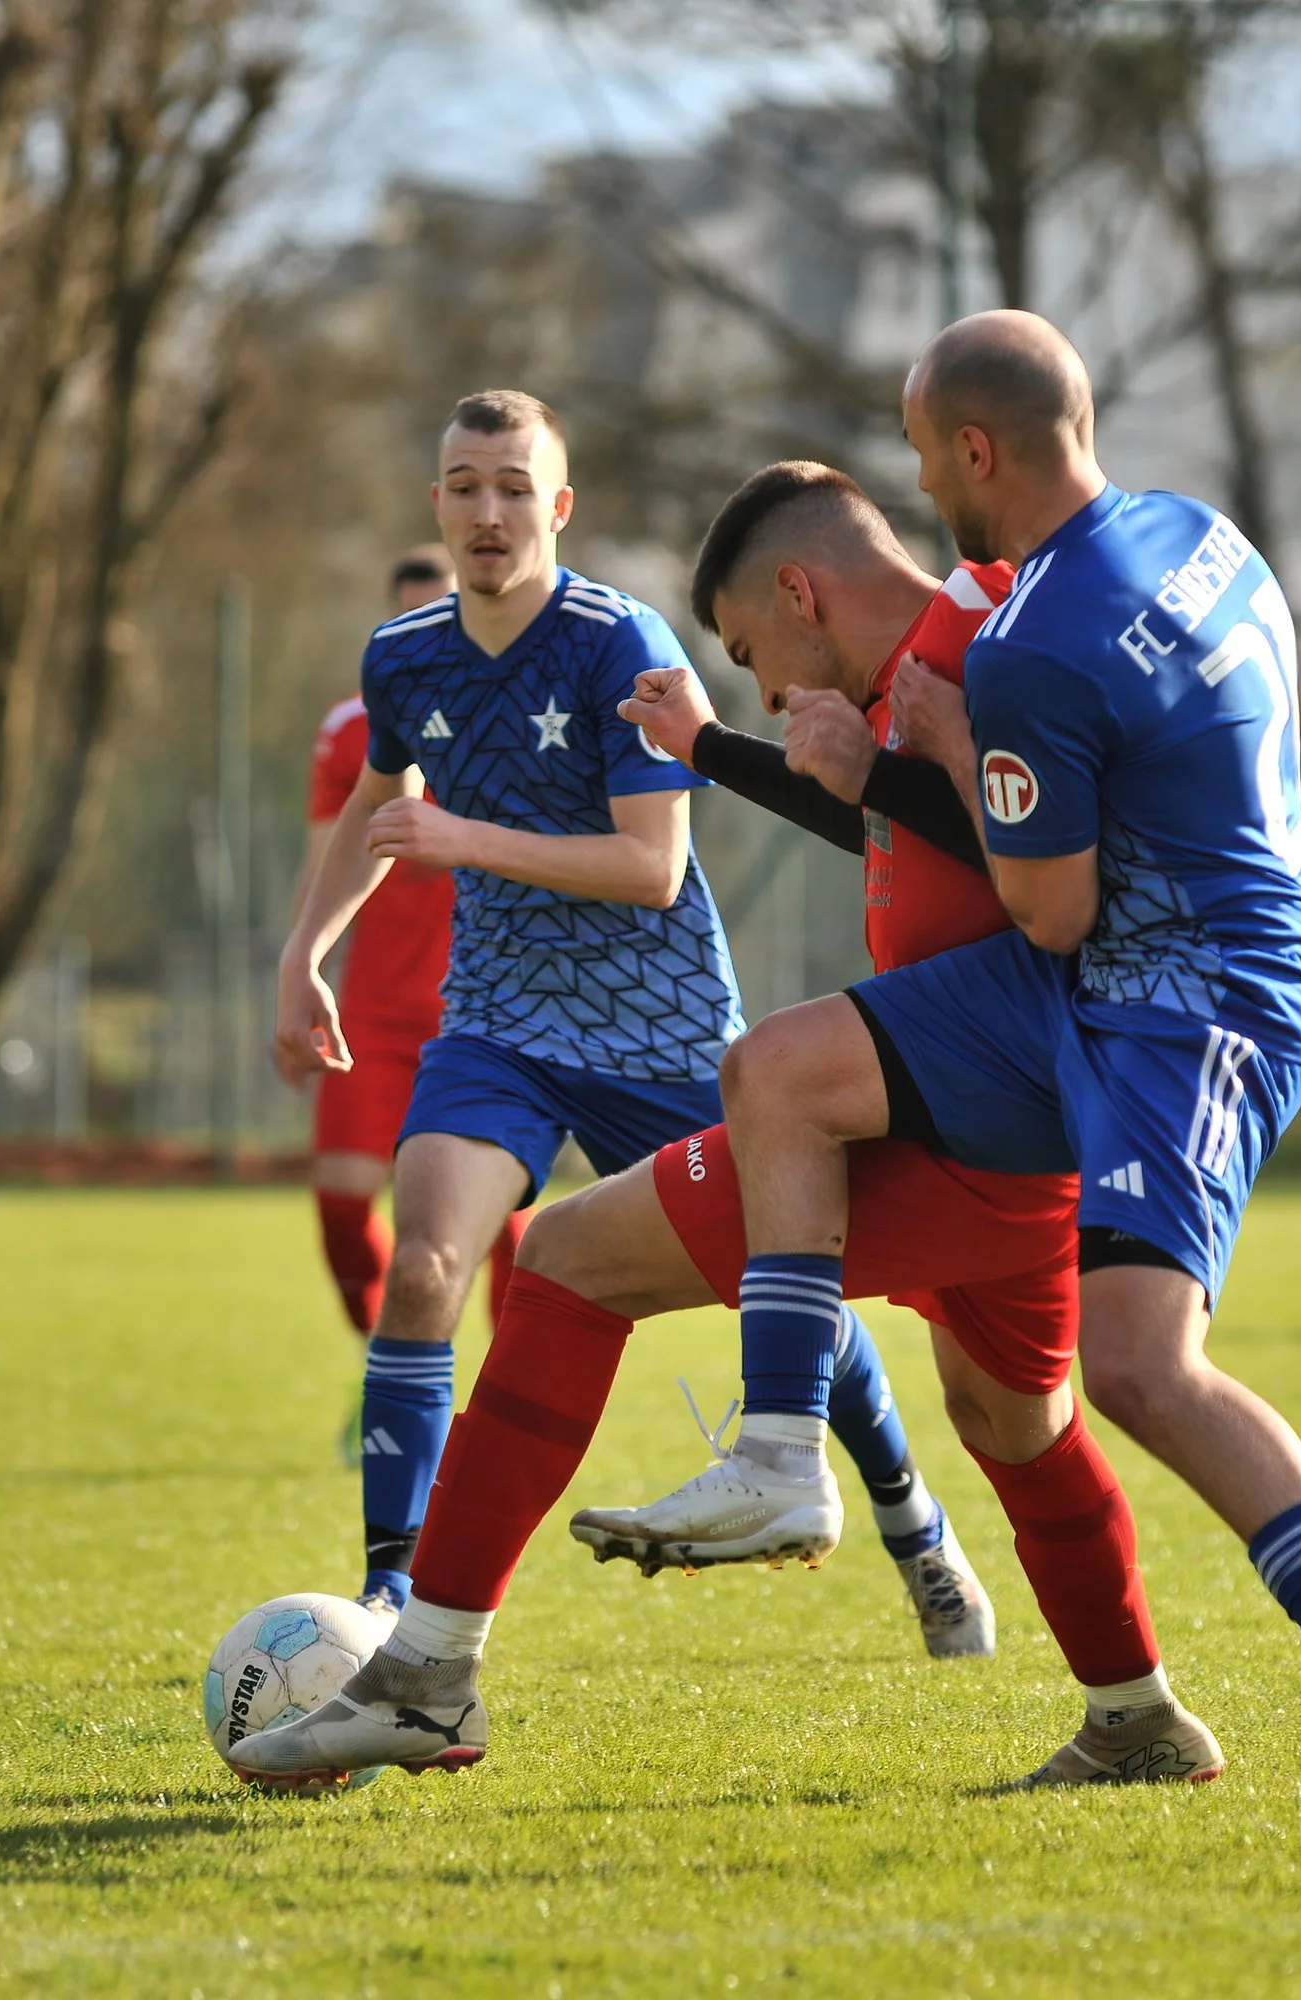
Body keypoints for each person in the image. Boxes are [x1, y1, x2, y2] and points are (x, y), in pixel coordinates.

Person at [593, 315, 1301, 1853]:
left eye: (923, 448)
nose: (920, 484)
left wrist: (938, 747)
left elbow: (1050, 909)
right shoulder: (1202, 538)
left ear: (975, 450)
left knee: (1140, 1366)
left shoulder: (1025, 649)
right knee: (792, 1086)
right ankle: (794, 1459)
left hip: (1185, 1005)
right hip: (1127, 983)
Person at [225, 461, 1224, 1793]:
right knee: (1010, 1417)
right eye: (459, 485)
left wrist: (884, 757)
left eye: (753, 654)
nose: (760, 688)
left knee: (575, 1258)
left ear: (800, 594)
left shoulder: (976, 654)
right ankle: (1138, 1718)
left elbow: (1047, 872)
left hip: (943, 1114)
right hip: (995, 1124)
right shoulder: (947, 656)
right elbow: (937, 827)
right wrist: (736, 752)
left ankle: (438, 1668)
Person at [271, 394, 977, 1644]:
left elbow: (652, 867)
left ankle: (908, 1514)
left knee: (786, 1284)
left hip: (661, 1029)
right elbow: (379, 800)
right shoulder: (405, 655)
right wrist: (302, 952)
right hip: (496, 1022)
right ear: (436, 502)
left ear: (557, 506)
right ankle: (388, 1593)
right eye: (463, 484)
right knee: (423, 1267)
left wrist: (462, 837)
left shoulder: (619, 641)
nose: (487, 510)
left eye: (512, 485)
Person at [296, 548, 523, 1412]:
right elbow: (322, 861)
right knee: (341, 1206)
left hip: (482, 1013)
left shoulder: (517, 709)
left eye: (444, 614)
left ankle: (499, 1399)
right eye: (411, 618)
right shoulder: (353, 728)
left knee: (504, 1225)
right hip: (374, 1013)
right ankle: (387, 1368)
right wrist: (300, 972)